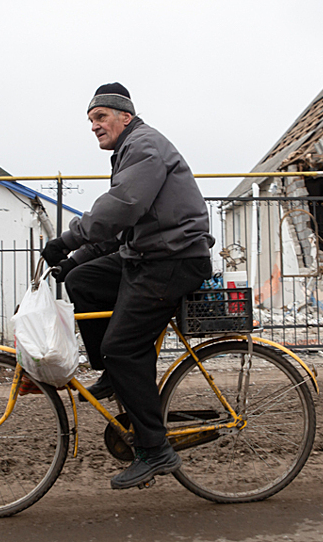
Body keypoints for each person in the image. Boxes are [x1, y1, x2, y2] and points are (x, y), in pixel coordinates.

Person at [41, 83, 214, 490]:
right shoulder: (129, 151)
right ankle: (114, 375)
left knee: (123, 346)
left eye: (101, 117)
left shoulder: (144, 146)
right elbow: (120, 229)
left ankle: (155, 450)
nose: (95, 126)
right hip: (148, 254)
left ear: (125, 117)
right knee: (83, 281)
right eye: (91, 121)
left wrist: (69, 238)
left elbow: (122, 205)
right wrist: (73, 261)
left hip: (173, 260)